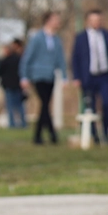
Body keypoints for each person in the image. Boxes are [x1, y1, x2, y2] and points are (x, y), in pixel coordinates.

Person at [72, 8, 108, 143]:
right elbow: (75, 58)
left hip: (104, 75)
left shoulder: (107, 35)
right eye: (93, 20)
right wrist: (76, 77)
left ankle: (106, 132)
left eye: (98, 20)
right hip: (88, 76)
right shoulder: (81, 37)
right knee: (89, 107)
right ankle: (93, 134)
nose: (96, 22)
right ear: (88, 21)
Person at [19, 11, 68, 145]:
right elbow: (27, 58)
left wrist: (64, 77)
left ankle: (40, 135)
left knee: (45, 105)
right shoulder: (37, 38)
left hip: (50, 76)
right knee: (45, 103)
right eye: (55, 20)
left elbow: (61, 60)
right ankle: (51, 135)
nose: (58, 22)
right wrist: (24, 76)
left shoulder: (57, 40)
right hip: (38, 75)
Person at [0, 38, 27, 129]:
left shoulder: (6, 60)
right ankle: (23, 123)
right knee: (20, 105)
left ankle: (12, 124)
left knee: (10, 106)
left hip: (8, 85)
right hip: (18, 85)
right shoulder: (19, 59)